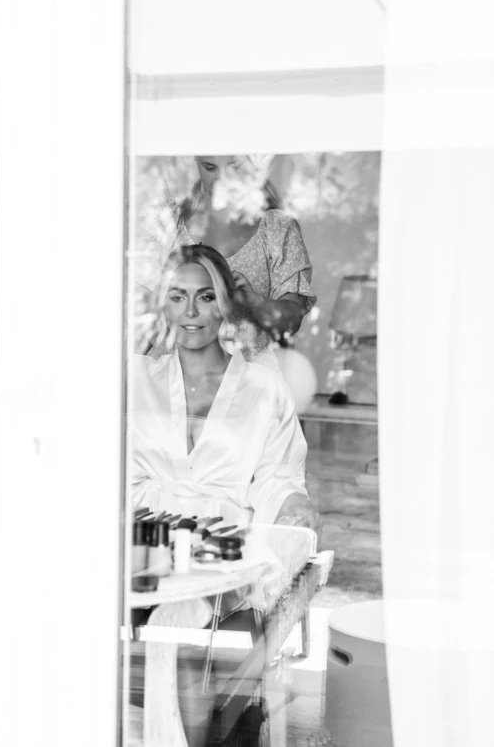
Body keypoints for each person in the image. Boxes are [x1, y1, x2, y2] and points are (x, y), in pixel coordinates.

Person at [131, 243, 319, 746]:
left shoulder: (263, 388)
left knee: (188, 643)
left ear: (225, 305)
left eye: (206, 296)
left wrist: (294, 506)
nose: (191, 312)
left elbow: (278, 478)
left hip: (221, 546)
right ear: (163, 305)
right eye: (178, 297)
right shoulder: (135, 378)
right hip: (146, 540)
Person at [141, 155, 316, 357]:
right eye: (210, 167)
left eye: (233, 167)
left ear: (254, 167)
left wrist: (257, 303)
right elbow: (136, 317)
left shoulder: (277, 228)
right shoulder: (166, 221)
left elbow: (291, 321)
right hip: (169, 372)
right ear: (197, 164)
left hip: (247, 373)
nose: (221, 179)